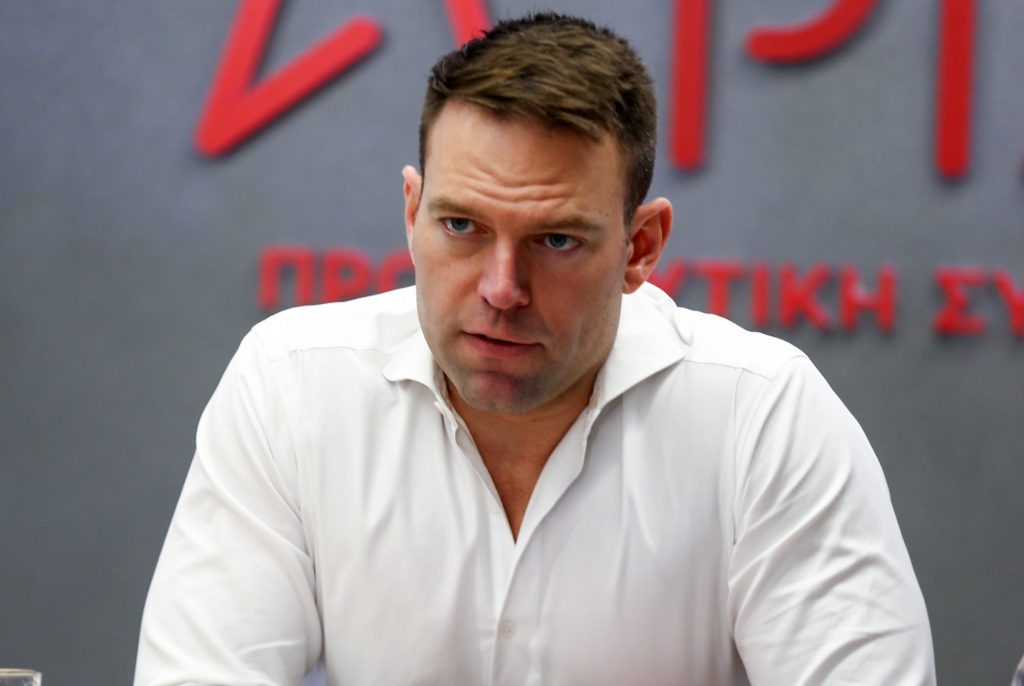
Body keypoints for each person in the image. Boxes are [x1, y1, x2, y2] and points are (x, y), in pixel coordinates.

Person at [135, 12, 935, 685]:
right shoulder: (292, 386)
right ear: (412, 213)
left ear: (640, 247)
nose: (502, 288)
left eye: (556, 240)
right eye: (461, 226)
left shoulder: (762, 416)